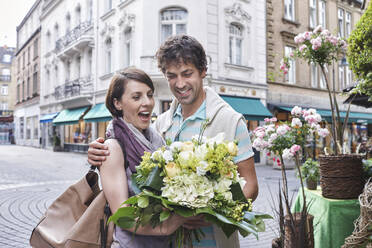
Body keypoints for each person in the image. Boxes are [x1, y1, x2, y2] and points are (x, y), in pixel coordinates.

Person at [88, 35, 259, 248]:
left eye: (187, 74)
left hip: (212, 242)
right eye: (172, 76)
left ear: (203, 71)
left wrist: (210, 214)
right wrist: (100, 149)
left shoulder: (230, 120)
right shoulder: (161, 123)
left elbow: (250, 185)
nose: (180, 84)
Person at [101, 67, 186, 248]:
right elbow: (122, 215)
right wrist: (168, 226)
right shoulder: (113, 147)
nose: (147, 102)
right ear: (117, 103)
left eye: (149, 94)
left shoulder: (156, 139)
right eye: (136, 97)